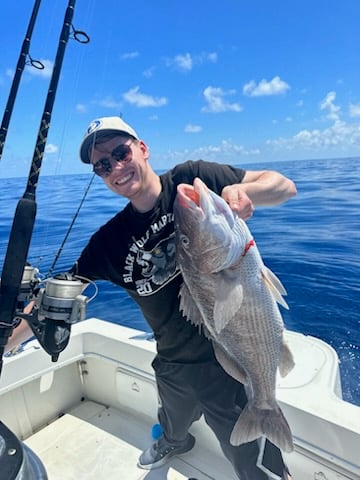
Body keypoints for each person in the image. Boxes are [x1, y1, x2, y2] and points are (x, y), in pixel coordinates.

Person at [7, 116, 297, 479]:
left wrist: (245, 194)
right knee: (171, 422)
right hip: (171, 362)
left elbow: (284, 186)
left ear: (142, 149)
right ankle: (174, 441)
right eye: (103, 165)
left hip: (226, 362)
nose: (115, 167)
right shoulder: (108, 242)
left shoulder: (193, 180)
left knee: (249, 460)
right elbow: (58, 295)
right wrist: (8, 339)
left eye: (120, 152)